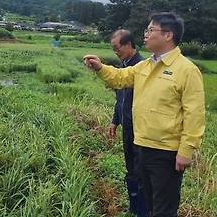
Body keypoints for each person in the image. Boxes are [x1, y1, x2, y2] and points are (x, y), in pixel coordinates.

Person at [83, 12, 205, 217]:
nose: (145, 34)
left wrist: (186, 150)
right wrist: (100, 68)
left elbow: (195, 113)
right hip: (141, 146)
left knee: (164, 209)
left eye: (150, 30)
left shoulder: (187, 70)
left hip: (166, 152)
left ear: (168, 35)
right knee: (148, 204)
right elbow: (120, 78)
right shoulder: (145, 65)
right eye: (146, 30)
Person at [108, 29, 147, 216]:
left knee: (141, 170)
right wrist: (115, 120)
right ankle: (134, 207)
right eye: (113, 48)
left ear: (129, 44)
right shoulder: (123, 66)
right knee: (130, 167)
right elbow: (120, 98)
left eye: (117, 48)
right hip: (127, 128)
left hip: (141, 130)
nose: (116, 51)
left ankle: (142, 210)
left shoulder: (142, 67)